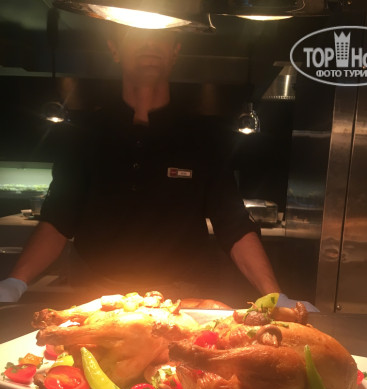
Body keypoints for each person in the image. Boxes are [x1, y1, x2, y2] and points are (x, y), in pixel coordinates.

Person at [0, 26, 317, 311]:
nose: (149, 43)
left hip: (183, 297)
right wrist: (15, 283)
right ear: (114, 49)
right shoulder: (84, 134)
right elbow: (58, 219)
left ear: (174, 52)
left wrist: (275, 295)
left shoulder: (202, 137)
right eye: (137, 35)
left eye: (160, 36)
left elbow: (232, 223)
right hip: (98, 295)